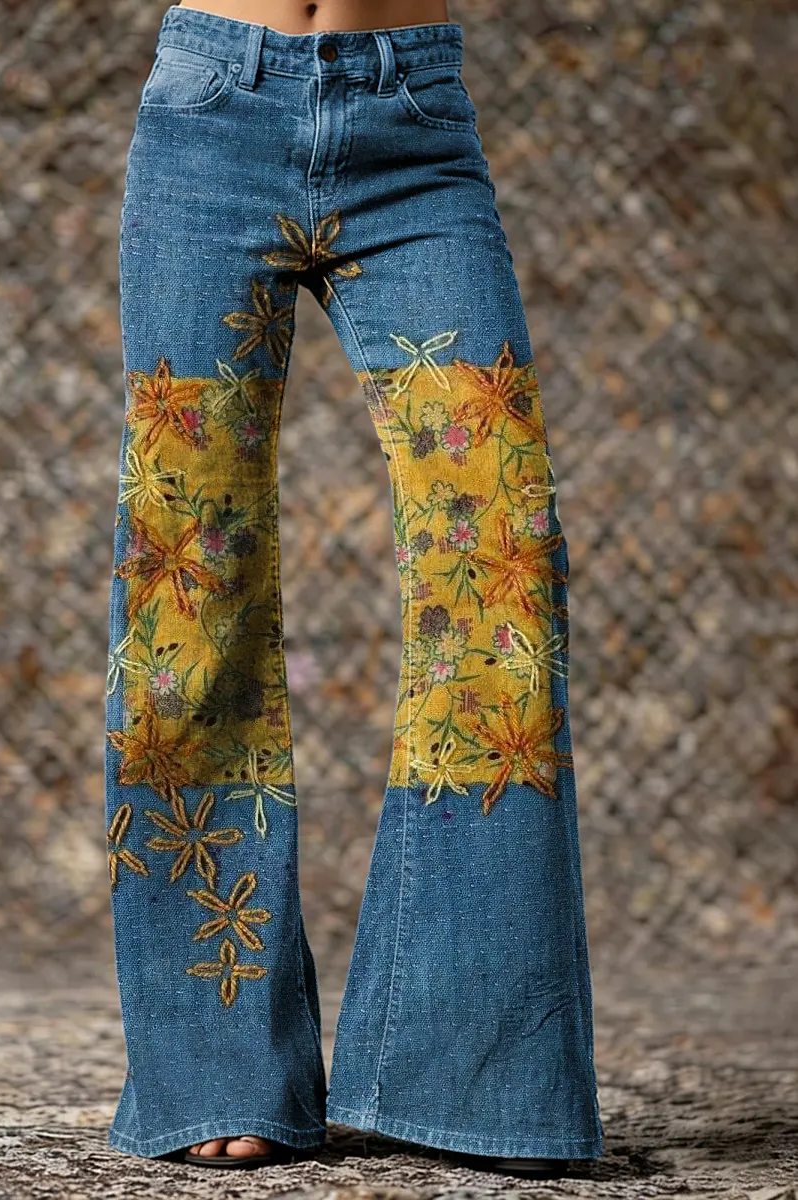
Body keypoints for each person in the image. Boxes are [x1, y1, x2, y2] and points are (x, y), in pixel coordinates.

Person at [104, 0, 603, 1179]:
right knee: (190, 588)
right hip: (210, 116)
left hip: (414, 121)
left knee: (502, 565)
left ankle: (472, 1075)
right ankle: (216, 1065)